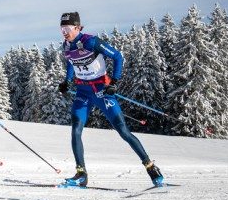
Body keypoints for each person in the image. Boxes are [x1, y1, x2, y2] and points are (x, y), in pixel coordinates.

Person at [58, 11, 164, 187]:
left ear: (77, 27)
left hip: (101, 91)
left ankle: (150, 166)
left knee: (123, 131)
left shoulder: (91, 41)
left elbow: (117, 56)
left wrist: (114, 81)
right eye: (62, 29)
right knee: (76, 129)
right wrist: (67, 81)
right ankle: (81, 174)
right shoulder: (67, 46)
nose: (65, 32)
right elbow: (71, 63)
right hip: (83, 92)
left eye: (68, 28)